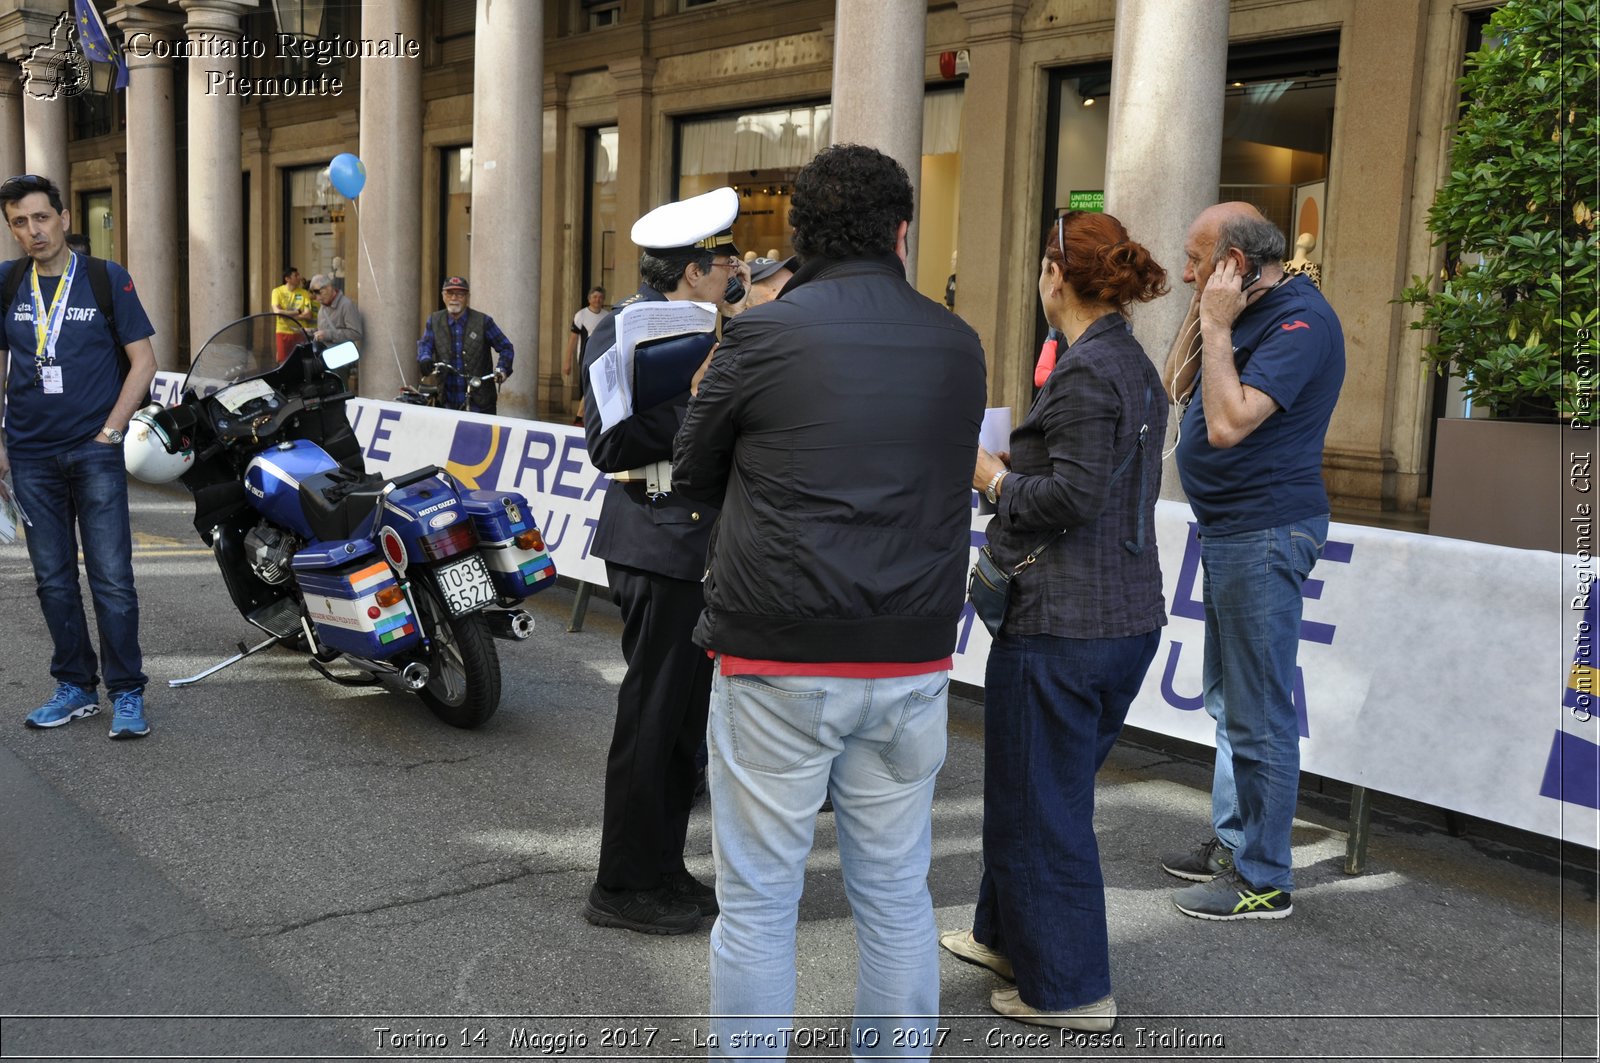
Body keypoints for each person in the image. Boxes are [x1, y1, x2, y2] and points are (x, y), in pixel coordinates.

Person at [673, 144, 986, 1057]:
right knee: (895, 893)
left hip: (779, 647)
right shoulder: (955, 340)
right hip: (911, 650)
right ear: (900, 232)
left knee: (760, 903)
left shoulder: (764, 335)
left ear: (798, 236)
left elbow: (691, 467)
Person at [939, 211, 1168, 1033]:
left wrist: (993, 477)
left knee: (1043, 804)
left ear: (1053, 275)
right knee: (1042, 788)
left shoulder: (1082, 372)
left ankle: (1069, 989)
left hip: (1066, 622)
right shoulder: (1133, 364)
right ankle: (1008, 937)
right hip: (1123, 616)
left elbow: (1069, 496)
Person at [1159, 202, 1345, 920]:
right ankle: (1238, 842)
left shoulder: (1303, 321)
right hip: (1234, 527)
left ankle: (1263, 877)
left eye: (1196, 261)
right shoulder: (1237, 307)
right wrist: (1205, 310)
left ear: (1236, 264)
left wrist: (1214, 320)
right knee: (1231, 702)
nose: (1184, 273)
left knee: (1260, 712)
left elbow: (1231, 421)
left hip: (1266, 528)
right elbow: (1179, 384)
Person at [579, 186, 746, 936]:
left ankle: (661, 865)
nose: (734, 269)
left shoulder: (717, 327)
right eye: (723, 260)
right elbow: (608, 444)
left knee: (683, 722)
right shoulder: (622, 330)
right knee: (651, 715)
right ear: (691, 271)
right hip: (654, 536)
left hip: (697, 541)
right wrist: (699, 400)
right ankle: (622, 883)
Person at [0, 174, 157, 738]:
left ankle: (127, 693)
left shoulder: (104, 278)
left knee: (112, 577)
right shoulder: (7, 282)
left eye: (41, 217)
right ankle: (75, 687)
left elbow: (144, 362)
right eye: (19, 222)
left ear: (63, 218)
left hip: (94, 451)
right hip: (30, 455)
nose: (32, 230)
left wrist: (111, 433)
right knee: (53, 580)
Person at [416, 276, 513, 415]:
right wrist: (424, 358)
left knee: (481, 436)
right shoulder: (434, 321)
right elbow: (425, 344)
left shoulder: (483, 321)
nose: (454, 298)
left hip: (480, 401)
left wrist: (502, 368)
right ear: (443, 296)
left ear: (467, 297)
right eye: (449, 293)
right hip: (447, 400)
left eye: (460, 294)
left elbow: (506, 347)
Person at [562, 285, 607, 390]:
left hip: (602, 358)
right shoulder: (580, 315)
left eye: (600, 297)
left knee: (598, 389)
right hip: (585, 358)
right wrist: (567, 362)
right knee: (589, 388)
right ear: (589, 299)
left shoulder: (607, 316)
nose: (597, 300)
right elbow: (573, 339)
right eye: (595, 297)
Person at [270, 266, 315, 362]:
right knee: (283, 361)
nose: (299, 277)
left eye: (298, 275)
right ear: (287, 279)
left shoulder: (304, 293)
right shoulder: (277, 292)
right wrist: (298, 312)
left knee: (300, 361)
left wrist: (286, 315)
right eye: (296, 275)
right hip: (283, 331)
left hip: (300, 331)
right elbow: (277, 312)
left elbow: (308, 315)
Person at [309, 273, 363, 348]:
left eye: (320, 293)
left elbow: (356, 333)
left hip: (342, 354)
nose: (318, 298)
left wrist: (328, 335)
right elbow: (324, 330)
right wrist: (311, 332)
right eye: (315, 294)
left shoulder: (346, 304)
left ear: (329, 287)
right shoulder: (323, 307)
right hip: (326, 354)